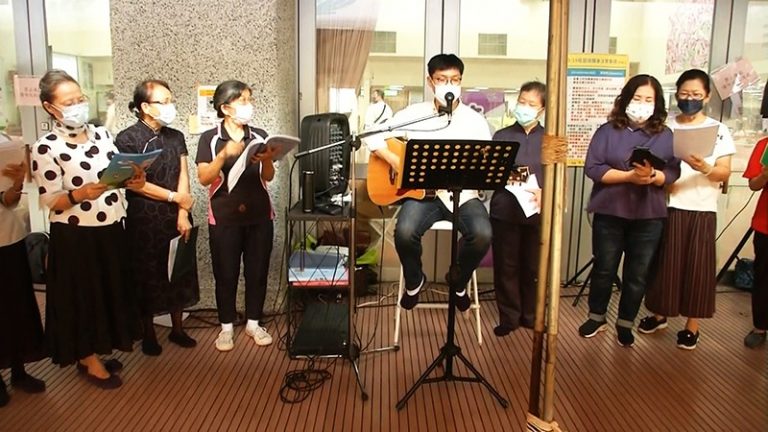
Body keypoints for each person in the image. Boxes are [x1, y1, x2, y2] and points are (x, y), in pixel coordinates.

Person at [31, 69, 144, 388]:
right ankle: (87, 357)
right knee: (83, 296)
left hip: (111, 225)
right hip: (76, 235)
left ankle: (96, 348)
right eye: (69, 102)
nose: (78, 105)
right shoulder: (46, 147)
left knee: (106, 291)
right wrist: (80, 194)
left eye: (80, 98)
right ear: (50, 107)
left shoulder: (101, 134)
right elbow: (51, 200)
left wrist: (133, 177)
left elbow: (116, 174)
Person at [365, 53, 492, 311]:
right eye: (442, 79)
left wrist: (482, 176)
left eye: (455, 79)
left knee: (482, 234)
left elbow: (486, 164)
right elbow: (371, 134)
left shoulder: (476, 121)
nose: (449, 85)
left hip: (463, 196)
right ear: (430, 81)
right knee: (404, 232)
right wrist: (394, 160)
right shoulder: (415, 114)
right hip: (423, 195)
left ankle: (458, 282)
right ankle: (415, 280)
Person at [579, 74, 681, 348]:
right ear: (626, 99)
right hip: (610, 211)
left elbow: (673, 171)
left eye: (649, 99)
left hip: (649, 216)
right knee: (604, 268)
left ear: (657, 104)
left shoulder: (666, 135)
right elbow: (593, 168)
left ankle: (625, 323)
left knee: (637, 273)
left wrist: (653, 176)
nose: (642, 104)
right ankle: (596, 317)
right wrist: (628, 177)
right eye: (637, 98)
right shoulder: (607, 131)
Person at [639, 69, 734, 350]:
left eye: (695, 94)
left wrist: (704, 167)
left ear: (706, 97)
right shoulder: (666, 127)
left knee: (698, 268)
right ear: (676, 95)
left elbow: (724, 172)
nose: (689, 99)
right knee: (664, 265)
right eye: (684, 94)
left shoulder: (719, 130)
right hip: (667, 205)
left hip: (702, 208)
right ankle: (660, 315)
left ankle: (692, 326)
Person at [115, 80, 200, 356]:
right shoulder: (127, 138)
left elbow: (184, 174)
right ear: (145, 106)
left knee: (179, 270)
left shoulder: (175, 136)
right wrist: (174, 198)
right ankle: (148, 332)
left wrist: (183, 210)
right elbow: (133, 183)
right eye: (163, 102)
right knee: (147, 273)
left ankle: (178, 328)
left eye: (170, 101)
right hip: (145, 215)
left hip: (177, 214)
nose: (169, 106)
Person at [196, 80, 277, 352]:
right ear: (225, 108)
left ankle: (254, 323)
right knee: (226, 273)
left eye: (249, 100)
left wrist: (267, 159)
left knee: (257, 272)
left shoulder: (259, 135)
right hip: (224, 216)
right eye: (243, 100)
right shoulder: (210, 138)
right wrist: (222, 155)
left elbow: (268, 176)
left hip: (259, 214)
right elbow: (204, 178)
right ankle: (226, 328)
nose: (248, 105)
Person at [489, 81, 546, 336]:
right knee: (506, 265)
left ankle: (531, 316)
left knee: (533, 267)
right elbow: (491, 173)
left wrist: (546, 192)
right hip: (505, 209)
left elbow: (559, 177)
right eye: (522, 102)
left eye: (531, 104)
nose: (524, 107)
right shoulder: (502, 136)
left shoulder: (549, 139)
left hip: (538, 211)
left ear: (542, 109)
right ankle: (509, 317)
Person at [0, 136, 46, 407]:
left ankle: (19, 369)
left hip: (9, 239)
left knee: (17, 305)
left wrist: (17, 182)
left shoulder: (5, 143)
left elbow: (9, 201)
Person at [741, 133, 768, 349]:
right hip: (765, 223)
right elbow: (753, 185)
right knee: (764, 277)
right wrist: (765, 175)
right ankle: (760, 326)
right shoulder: (765, 145)